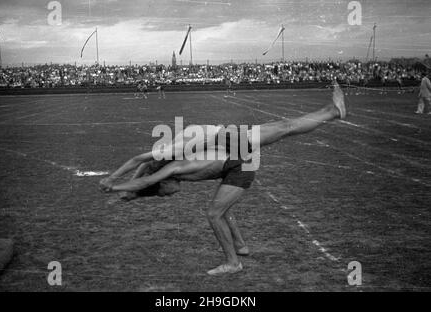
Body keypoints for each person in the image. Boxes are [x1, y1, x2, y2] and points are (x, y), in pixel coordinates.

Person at [100, 83, 347, 275]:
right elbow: (142, 172)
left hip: (229, 141)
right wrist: (123, 187)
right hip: (230, 147)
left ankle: (233, 261)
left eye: (166, 192)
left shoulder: (170, 158)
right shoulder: (171, 163)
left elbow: (140, 164)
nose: (172, 194)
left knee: (284, 128)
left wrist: (113, 183)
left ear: (161, 179)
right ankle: (239, 246)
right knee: (283, 127)